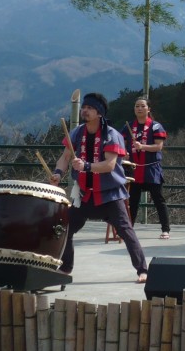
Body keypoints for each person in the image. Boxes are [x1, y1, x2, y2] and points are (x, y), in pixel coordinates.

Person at [49, 92, 148, 283]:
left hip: (110, 196)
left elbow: (110, 165)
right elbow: (65, 157)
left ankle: (142, 270)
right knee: (65, 228)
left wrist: (86, 166)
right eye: (84, 107)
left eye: (90, 108)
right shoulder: (77, 133)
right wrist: (58, 174)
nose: (85, 111)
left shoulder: (112, 135)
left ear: (99, 113)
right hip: (85, 196)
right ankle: (66, 267)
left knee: (126, 231)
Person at [123, 96, 170, 239]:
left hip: (151, 169)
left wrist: (142, 146)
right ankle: (128, 230)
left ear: (149, 109)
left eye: (142, 106)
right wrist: (123, 152)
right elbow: (120, 142)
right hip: (134, 169)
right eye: (137, 106)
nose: (139, 108)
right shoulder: (129, 126)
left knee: (158, 200)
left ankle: (165, 229)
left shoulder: (156, 126)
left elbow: (158, 147)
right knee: (132, 201)